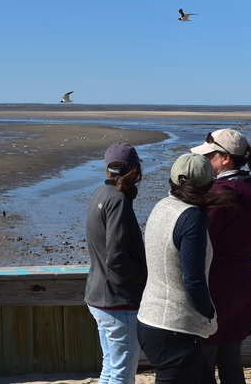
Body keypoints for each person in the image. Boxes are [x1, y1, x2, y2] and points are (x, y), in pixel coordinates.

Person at [137, 153, 236, 384]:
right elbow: (193, 279)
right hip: (174, 327)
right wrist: (210, 313)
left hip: (150, 319)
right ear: (209, 185)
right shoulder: (192, 217)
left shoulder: (162, 205)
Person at [191, 129, 251, 384]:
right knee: (231, 360)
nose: (206, 161)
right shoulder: (250, 187)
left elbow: (199, 241)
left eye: (210, 156)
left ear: (225, 158)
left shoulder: (220, 194)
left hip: (215, 286)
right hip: (243, 282)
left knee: (204, 363)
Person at [85, 143, 147, 384]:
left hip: (99, 296)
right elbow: (117, 257)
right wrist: (143, 281)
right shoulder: (118, 199)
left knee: (110, 368)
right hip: (117, 301)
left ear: (107, 169)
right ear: (135, 169)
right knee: (122, 372)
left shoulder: (101, 193)